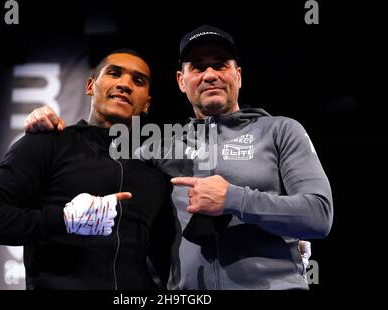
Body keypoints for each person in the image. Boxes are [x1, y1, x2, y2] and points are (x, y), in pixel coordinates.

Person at [24, 25, 333, 289]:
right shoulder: (157, 146)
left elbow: (318, 215)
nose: (210, 74)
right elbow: (94, 157)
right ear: (181, 81)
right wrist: (49, 125)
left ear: (237, 76)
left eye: (220, 65)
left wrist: (234, 199)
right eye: (197, 67)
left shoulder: (281, 130)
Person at [0, 49, 174, 290]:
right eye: (114, 73)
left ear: (146, 103)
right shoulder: (47, 142)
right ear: (90, 86)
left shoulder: (156, 165)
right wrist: (64, 220)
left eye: (138, 81)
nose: (125, 84)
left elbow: (166, 255)